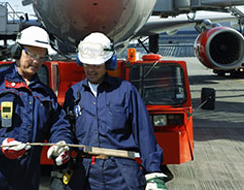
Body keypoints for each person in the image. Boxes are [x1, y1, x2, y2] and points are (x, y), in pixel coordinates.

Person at [0, 26, 73, 190]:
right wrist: (0, 142)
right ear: (17, 51)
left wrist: (61, 142)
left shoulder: (46, 94)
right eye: (31, 54)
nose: (36, 61)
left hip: (25, 179)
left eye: (41, 56)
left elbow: (58, 123)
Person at [64, 32, 167, 190]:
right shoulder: (74, 94)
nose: (91, 70)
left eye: (96, 65)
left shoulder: (125, 91)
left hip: (122, 174)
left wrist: (153, 172)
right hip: (85, 175)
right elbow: (65, 130)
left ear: (108, 63)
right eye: (87, 64)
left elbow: (144, 132)